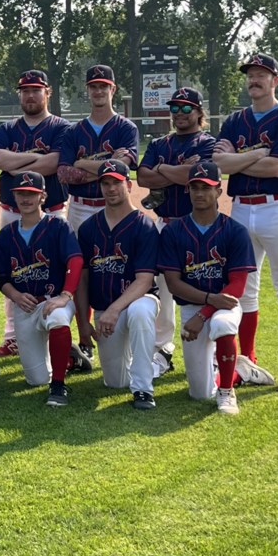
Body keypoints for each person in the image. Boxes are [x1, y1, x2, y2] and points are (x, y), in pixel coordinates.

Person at [213, 53, 278, 390]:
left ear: (275, 80)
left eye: (262, 74)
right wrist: (255, 155)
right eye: (251, 74)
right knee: (245, 290)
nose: (254, 79)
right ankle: (246, 362)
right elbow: (220, 165)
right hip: (240, 208)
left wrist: (236, 161)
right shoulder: (235, 121)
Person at [157, 161, 273, 414]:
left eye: (206, 187)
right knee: (199, 393)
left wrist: (204, 313)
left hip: (225, 305)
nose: (200, 193)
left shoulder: (234, 231)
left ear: (219, 191)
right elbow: (173, 283)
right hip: (191, 306)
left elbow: (238, 286)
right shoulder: (174, 230)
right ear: (187, 190)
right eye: (195, 187)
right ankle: (239, 371)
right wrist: (204, 305)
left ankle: (227, 391)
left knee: (222, 324)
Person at [57, 65, 140, 371]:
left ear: (113, 90)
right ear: (87, 90)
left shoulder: (126, 127)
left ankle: (126, 331)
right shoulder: (73, 131)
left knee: (121, 266)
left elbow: (124, 166)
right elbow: (64, 173)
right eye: (93, 86)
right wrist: (108, 163)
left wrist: (85, 162)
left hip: (117, 208)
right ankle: (84, 336)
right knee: (81, 271)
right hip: (80, 206)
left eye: (103, 86)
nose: (98, 91)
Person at [0, 70, 70, 359]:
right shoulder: (8, 128)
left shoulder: (61, 127)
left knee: (56, 272)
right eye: (25, 90)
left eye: (36, 89)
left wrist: (17, 164)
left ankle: (57, 330)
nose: (31, 95)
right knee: (14, 273)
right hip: (11, 213)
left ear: (47, 92)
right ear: (19, 94)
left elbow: (55, 164)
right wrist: (37, 160)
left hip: (52, 212)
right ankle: (12, 336)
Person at [136, 87, 216, 378]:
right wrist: (179, 170)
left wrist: (164, 170)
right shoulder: (160, 142)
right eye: (175, 108)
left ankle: (213, 353)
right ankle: (162, 351)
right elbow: (143, 177)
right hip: (166, 223)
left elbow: (198, 177)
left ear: (198, 112)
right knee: (164, 290)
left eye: (185, 108)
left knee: (204, 286)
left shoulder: (208, 142)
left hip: (199, 226)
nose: (179, 114)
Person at [75, 160, 160, 410]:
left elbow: (144, 280)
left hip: (137, 301)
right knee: (115, 382)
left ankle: (143, 389)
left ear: (129, 185)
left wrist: (115, 309)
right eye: (106, 183)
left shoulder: (144, 225)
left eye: (117, 182)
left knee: (140, 312)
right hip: (104, 313)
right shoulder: (89, 228)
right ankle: (145, 361)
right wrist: (82, 323)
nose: (111, 188)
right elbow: (82, 278)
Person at [0, 171, 82, 406]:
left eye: (31, 194)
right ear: (13, 196)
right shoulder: (6, 235)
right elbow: (1, 276)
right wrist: (15, 295)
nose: (26, 198)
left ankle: (59, 385)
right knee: (36, 379)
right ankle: (71, 360)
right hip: (25, 305)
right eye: (21, 193)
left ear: (43, 196)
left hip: (54, 299)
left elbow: (75, 261)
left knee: (58, 319)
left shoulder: (58, 226)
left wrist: (65, 296)